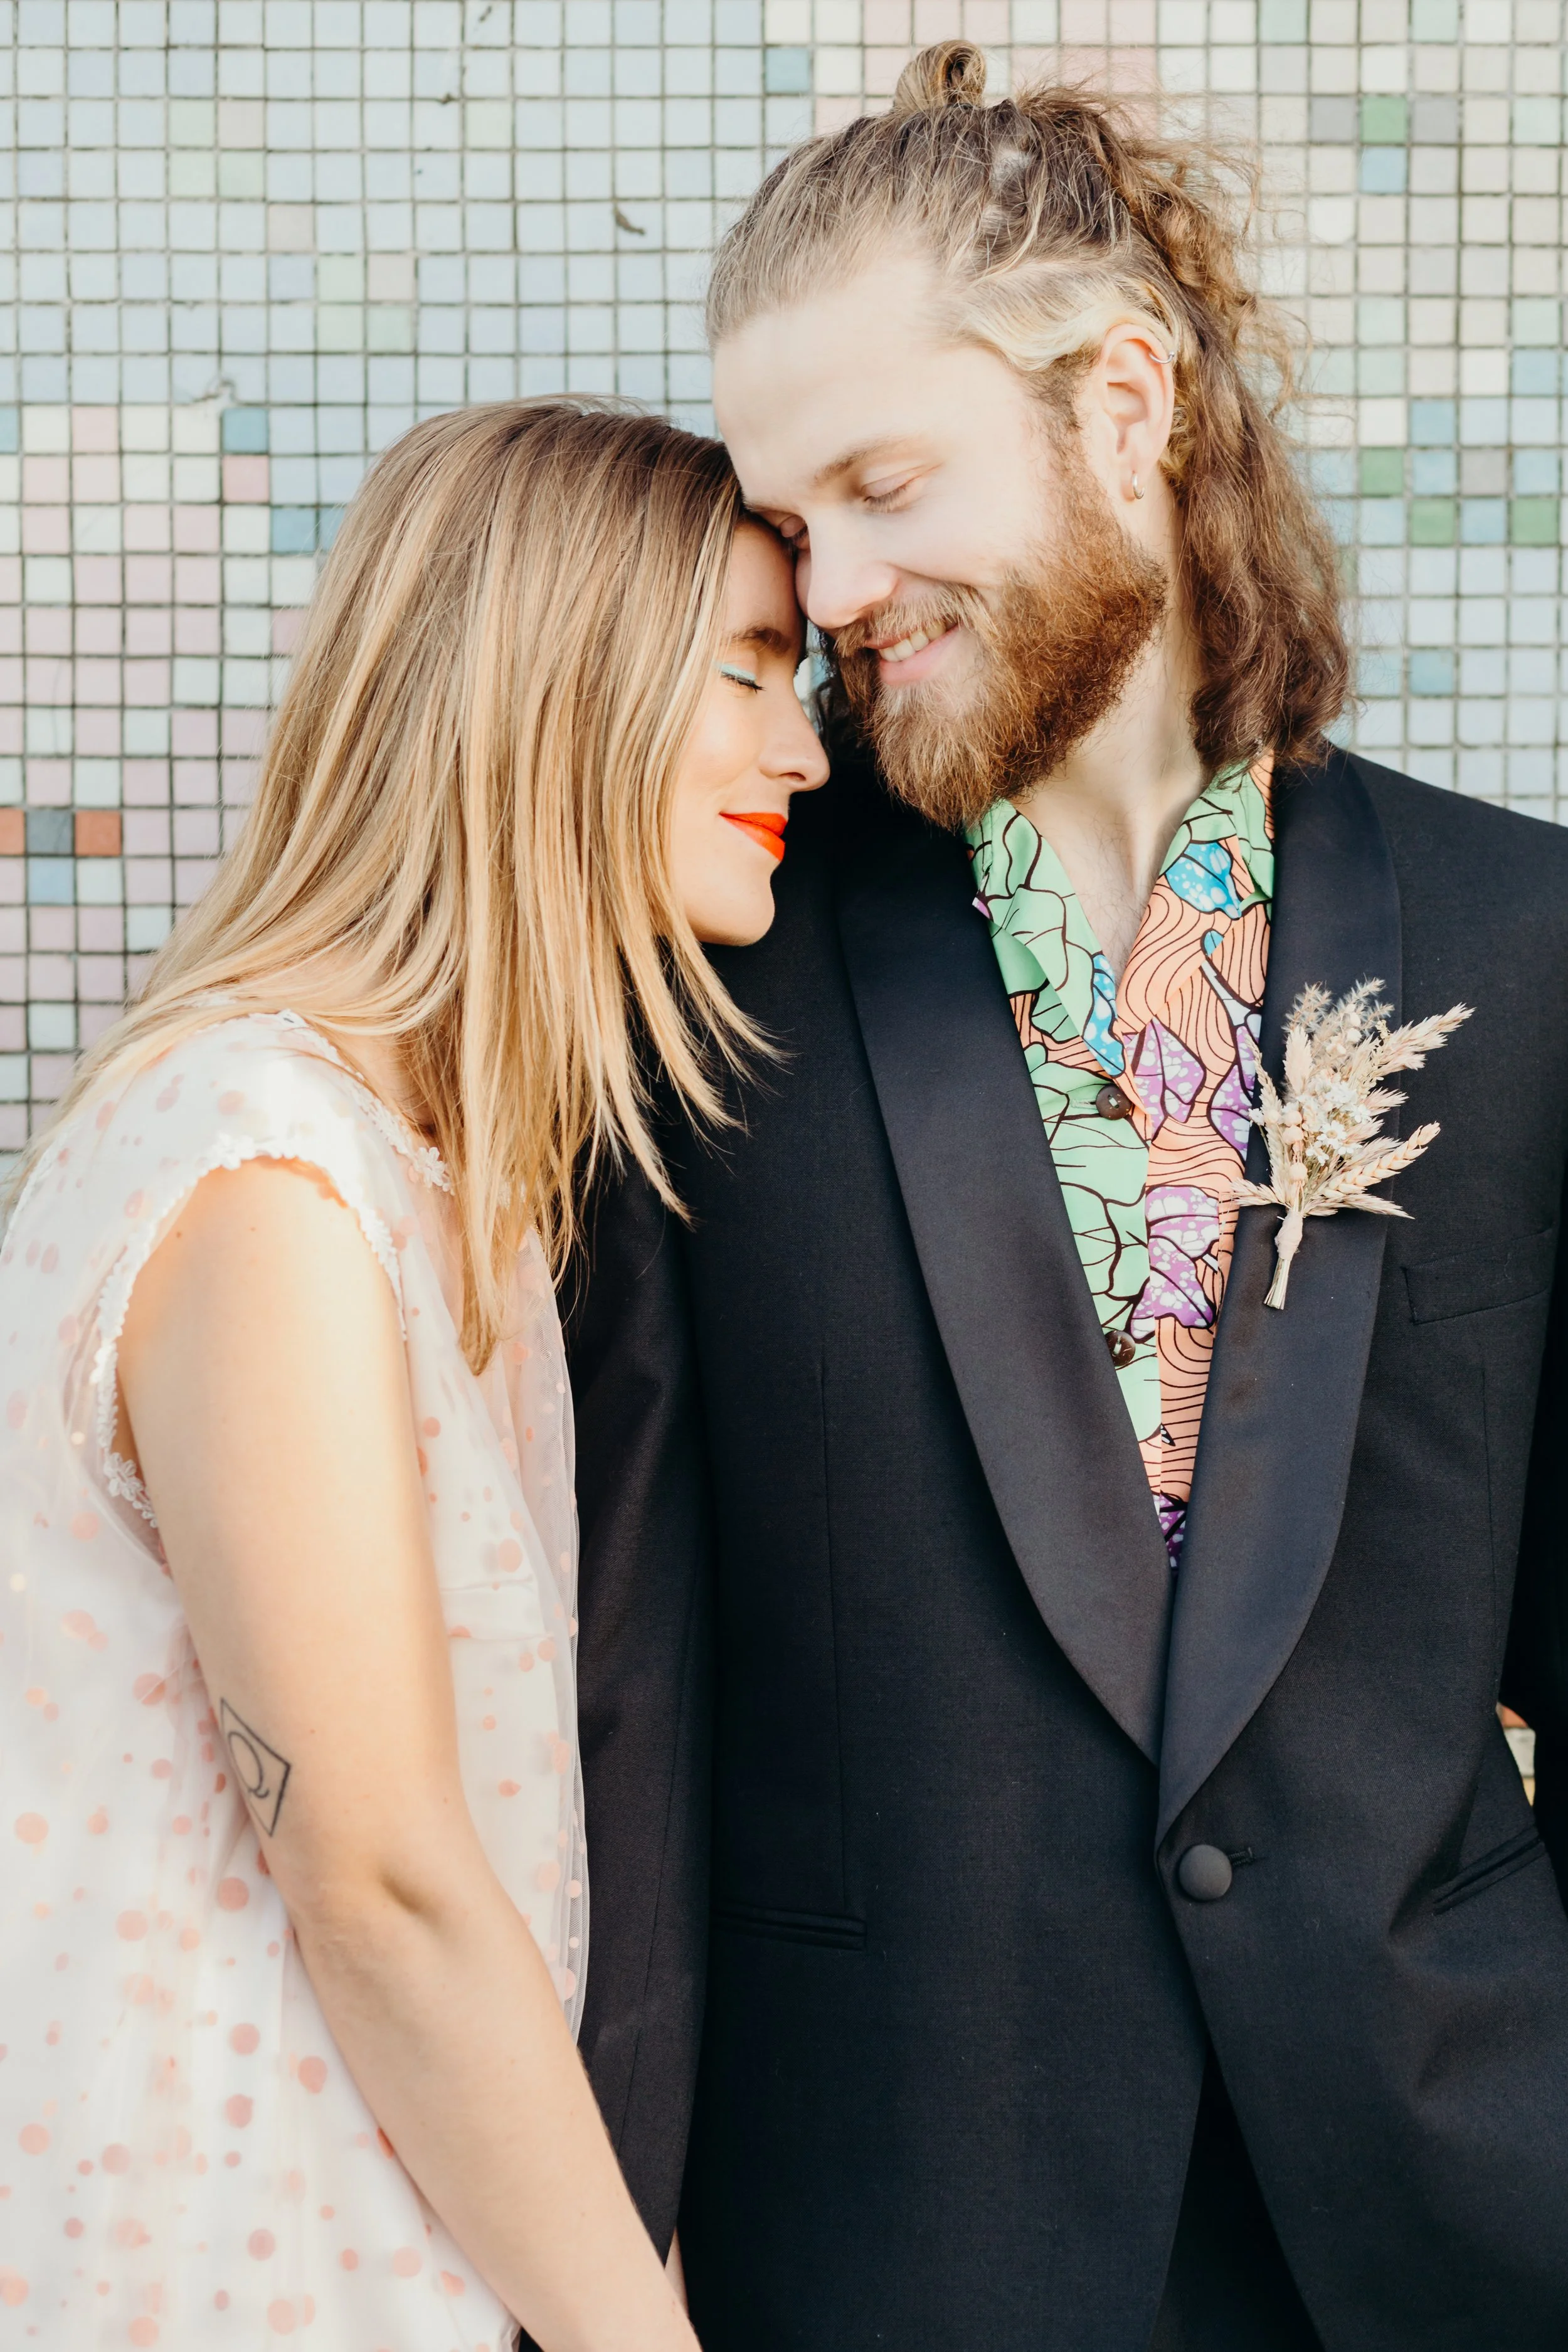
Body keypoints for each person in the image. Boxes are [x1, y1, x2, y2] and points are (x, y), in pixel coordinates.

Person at [567, 45, 1568, 2352]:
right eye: (787, 521)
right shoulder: (709, 964)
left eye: (881, 484)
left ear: (1126, 399)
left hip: (1453, 2225)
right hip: (896, 2235)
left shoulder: (1526, 944)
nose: (830, 588)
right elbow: (619, 1686)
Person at [0, 398, 825, 2348]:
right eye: (745, 673)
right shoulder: (269, 1167)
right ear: (547, 691)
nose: (802, 748)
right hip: (213, 2270)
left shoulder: (436, 1179)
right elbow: (373, 1871)